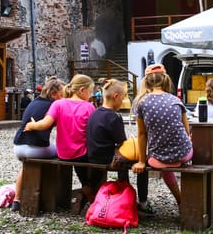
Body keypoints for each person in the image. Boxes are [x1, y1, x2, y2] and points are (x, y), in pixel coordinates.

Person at [24, 74, 96, 213]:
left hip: (64, 153)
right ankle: (91, 196)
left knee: (80, 166)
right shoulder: (89, 107)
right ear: (82, 90)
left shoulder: (58, 104)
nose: (91, 94)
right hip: (82, 153)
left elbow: (45, 124)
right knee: (96, 167)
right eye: (90, 91)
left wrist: (32, 126)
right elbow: (92, 132)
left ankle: (85, 193)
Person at [87, 79, 154, 216]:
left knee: (125, 158)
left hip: (93, 155)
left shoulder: (95, 112)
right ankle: (141, 202)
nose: (123, 102)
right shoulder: (114, 117)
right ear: (116, 96)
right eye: (123, 99)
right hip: (107, 158)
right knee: (142, 161)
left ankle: (123, 192)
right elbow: (121, 141)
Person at [132, 64, 193, 208]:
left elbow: (142, 134)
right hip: (184, 154)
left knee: (166, 169)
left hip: (157, 159)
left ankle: (179, 199)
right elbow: (187, 131)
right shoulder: (176, 100)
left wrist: (141, 161)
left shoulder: (141, 103)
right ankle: (190, 196)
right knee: (187, 146)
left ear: (146, 82)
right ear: (166, 80)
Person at [11, 77, 64, 211]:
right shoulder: (54, 105)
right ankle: (54, 194)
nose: (63, 97)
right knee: (62, 152)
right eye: (61, 94)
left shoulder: (34, 102)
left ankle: (16, 200)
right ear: (53, 94)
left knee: (26, 166)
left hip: (18, 146)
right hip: (36, 147)